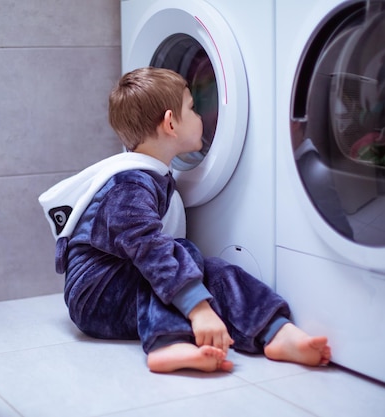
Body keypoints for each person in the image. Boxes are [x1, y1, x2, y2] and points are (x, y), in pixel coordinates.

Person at [39, 67, 331, 373]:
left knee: (213, 269)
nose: (200, 116)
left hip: (118, 286)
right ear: (170, 123)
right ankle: (168, 344)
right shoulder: (129, 186)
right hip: (96, 298)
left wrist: (199, 301)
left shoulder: (148, 174)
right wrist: (198, 309)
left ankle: (274, 332)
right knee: (180, 252)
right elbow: (150, 250)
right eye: (192, 108)